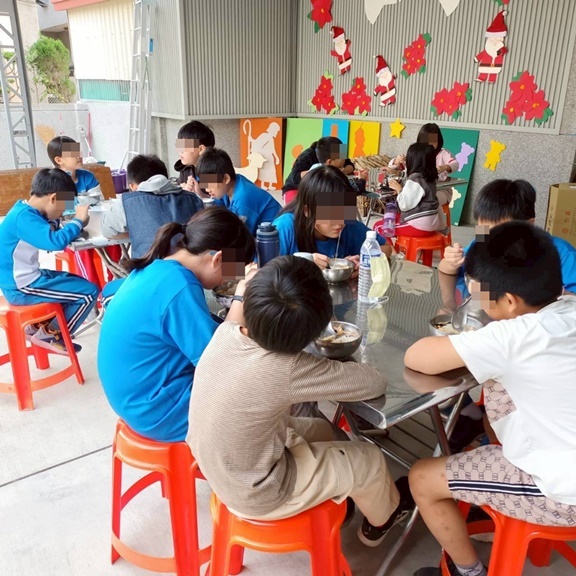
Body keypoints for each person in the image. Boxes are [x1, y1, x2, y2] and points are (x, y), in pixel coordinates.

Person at [188, 255, 413, 546]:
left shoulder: (227, 332)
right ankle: (382, 521)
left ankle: (339, 490)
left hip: (220, 469)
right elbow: (373, 383)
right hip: (260, 491)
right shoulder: (287, 367)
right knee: (369, 458)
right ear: (312, 333)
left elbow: (240, 308)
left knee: (323, 430)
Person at [406, 222, 576, 576]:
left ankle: (469, 572)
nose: (479, 303)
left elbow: (417, 356)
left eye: (482, 296)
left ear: (510, 301)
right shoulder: (569, 307)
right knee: (495, 403)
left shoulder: (513, 336)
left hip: (563, 492)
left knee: (421, 477)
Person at [98, 207, 256, 442]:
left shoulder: (158, 268)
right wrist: (242, 295)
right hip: (157, 412)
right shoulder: (180, 285)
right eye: (230, 273)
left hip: (134, 400)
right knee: (259, 390)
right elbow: (220, 361)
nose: (227, 281)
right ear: (217, 259)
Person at [0, 169, 98, 355]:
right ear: (53, 198)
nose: (62, 213)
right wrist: (77, 221)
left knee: (77, 283)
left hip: (25, 278)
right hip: (21, 287)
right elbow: (54, 242)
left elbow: (48, 228)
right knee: (88, 293)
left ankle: (38, 326)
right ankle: (52, 334)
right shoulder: (24, 218)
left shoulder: (25, 211)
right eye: (62, 209)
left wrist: (70, 224)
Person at [440, 179, 576, 296]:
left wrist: (547, 291)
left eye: (501, 234)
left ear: (529, 225)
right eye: (484, 230)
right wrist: (451, 263)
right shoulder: (481, 242)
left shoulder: (561, 254)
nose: (491, 241)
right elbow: (447, 271)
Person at [273, 165, 392, 272]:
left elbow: (386, 247)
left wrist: (364, 260)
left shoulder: (348, 225)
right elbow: (265, 272)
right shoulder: (285, 227)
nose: (340, 222)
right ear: (307, 211)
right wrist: (303, 264)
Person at [47, 135, 121, 289]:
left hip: (92, 224)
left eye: (78, 152)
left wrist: (79, 202)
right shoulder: (55, 181)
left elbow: (97, 202)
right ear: (59, 160)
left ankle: (115, 284)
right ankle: (93, 289)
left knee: (114, 241)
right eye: (72, 154)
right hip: (69, 231)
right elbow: (65, 211)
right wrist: (84, 201)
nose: (79, 156)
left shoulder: (87, 176)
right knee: (84, 249)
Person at [100, 154, 204, 259]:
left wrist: (135, 231)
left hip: (148, 267)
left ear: (132, 186)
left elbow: (107, 231)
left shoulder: (126, 202)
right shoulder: (194, 199)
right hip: (189, 267)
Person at [195, 148, 281, 236]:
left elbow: (240, 236)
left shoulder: (242, 200)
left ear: (226, 179)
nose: (207, 189)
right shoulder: (230, 185)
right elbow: (216, 209)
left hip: (275, 237)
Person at [386, 142, 448, 239]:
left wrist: (399, 190)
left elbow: (404, 205)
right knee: (393, 218)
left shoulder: (415, 179)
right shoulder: (430, 177)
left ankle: (392, 250)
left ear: (414, 161)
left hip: (419, 226)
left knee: (380, 227)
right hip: (432, 223)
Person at [389, 123, 458, 203]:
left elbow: (455, 164)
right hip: (419, 188)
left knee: (423, 200)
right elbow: (400, 168)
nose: (428, 146)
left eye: (432, 142)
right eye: (426, 142)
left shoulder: (443, 153)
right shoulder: (417, 153)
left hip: (440, 189)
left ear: (438, 141)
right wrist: (397, 161)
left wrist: (444, 167)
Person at [282, 137, 356, 204]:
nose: (344, 159)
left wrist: (340, 172)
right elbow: (295, 177)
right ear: (329, 162)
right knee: (300, 209)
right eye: (342, 157)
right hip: (295, 189)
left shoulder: (337, 155)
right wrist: (318, 172)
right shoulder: (308, 156)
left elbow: (351, 166)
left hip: (319, 189)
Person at [174, 120, 215, 198]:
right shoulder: (185, 169)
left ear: (201, 149)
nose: (180, 151)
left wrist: (196, 194)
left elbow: (216, 202)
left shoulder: (212, 171)